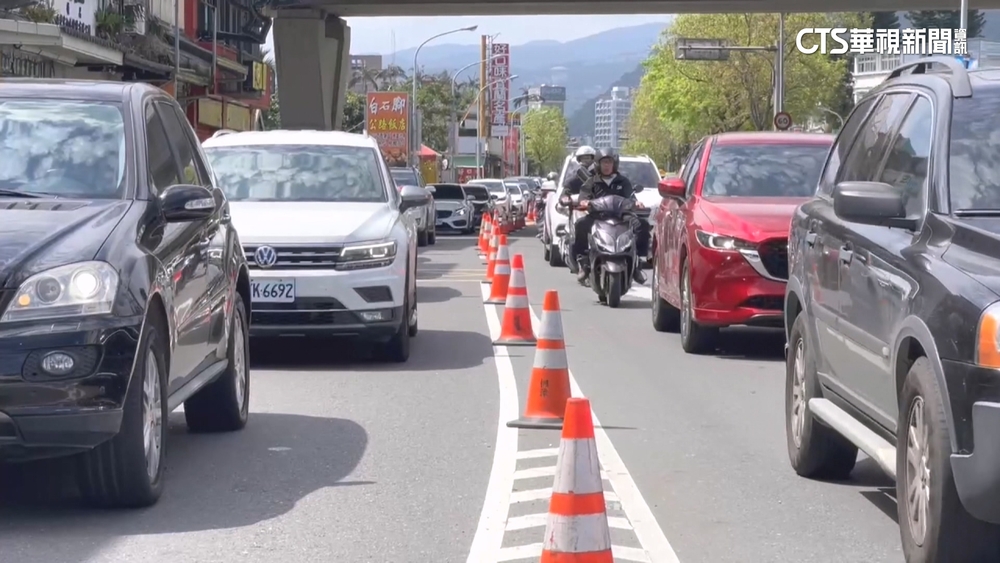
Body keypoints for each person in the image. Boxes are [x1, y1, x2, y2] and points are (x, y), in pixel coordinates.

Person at [572, 148, 648, 285]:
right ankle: (583, 263)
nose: (607, 165)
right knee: (580, 224)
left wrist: (636, 202)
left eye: (609, 162)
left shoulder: (623, 181)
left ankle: (637, 263)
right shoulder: (591, 182)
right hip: (598, 217)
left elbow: (631, 197)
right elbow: (583, 196)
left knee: (642, 224)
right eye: (604, 162)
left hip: (621, 217)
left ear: (615, 164)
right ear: (597, 164)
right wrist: (584, 201)